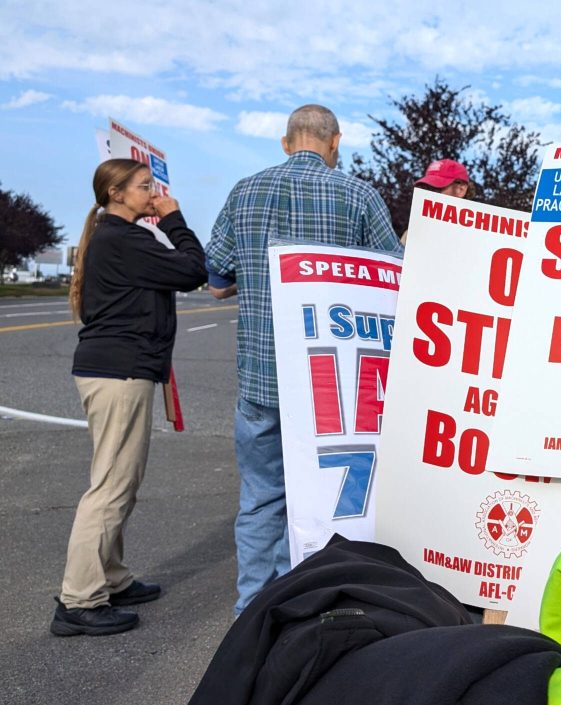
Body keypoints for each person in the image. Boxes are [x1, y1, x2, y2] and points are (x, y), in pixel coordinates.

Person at [206, 104, 401, 616]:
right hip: (333, 382)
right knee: (335, 500)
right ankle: (321, 606)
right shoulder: (359, 195)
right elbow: (393, 277)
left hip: (262, 380)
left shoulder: (244, 192)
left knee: (261, 499)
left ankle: (252, 610)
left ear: (286, 141)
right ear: (335, 141)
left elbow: (217, 278)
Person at [52, 159, 207, 636]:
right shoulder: (125, 238)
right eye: (144, 187)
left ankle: (111, 577)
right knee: (111, 488)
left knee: (121, 480)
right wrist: (175, 218)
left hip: (115, 370)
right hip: (119, 373)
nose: (153, 193)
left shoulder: (113, 236)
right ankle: (79, 600)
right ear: (116, 193)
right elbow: (191, 269)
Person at [401, 158, 474, 245]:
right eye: (426, 189)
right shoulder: (412, 233)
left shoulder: (480, 236)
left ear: (461, 189)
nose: (429, 194)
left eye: (436, 188)